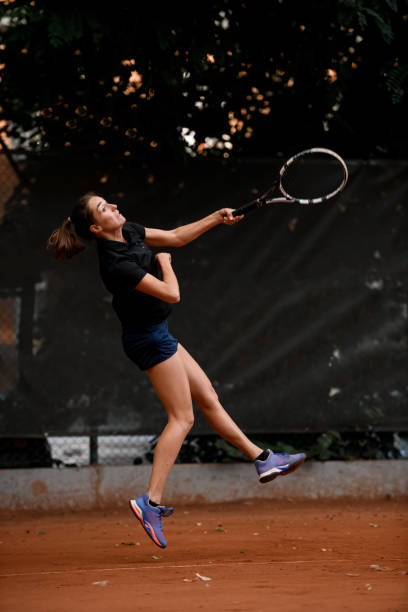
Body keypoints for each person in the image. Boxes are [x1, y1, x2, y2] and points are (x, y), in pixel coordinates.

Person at [47, 192, 306, 549]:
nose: (114, 207)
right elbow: (171, 294)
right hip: (148, 340)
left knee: (208, 398)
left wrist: (217, 216)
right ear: (95, 226)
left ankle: (263, 460)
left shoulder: (132, 232)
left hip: (159, 333)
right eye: (104, 209)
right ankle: (149, 502)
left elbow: (175, 236)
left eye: (109, 202)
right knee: (182, 418)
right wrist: (165, 264)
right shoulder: (115, 263)